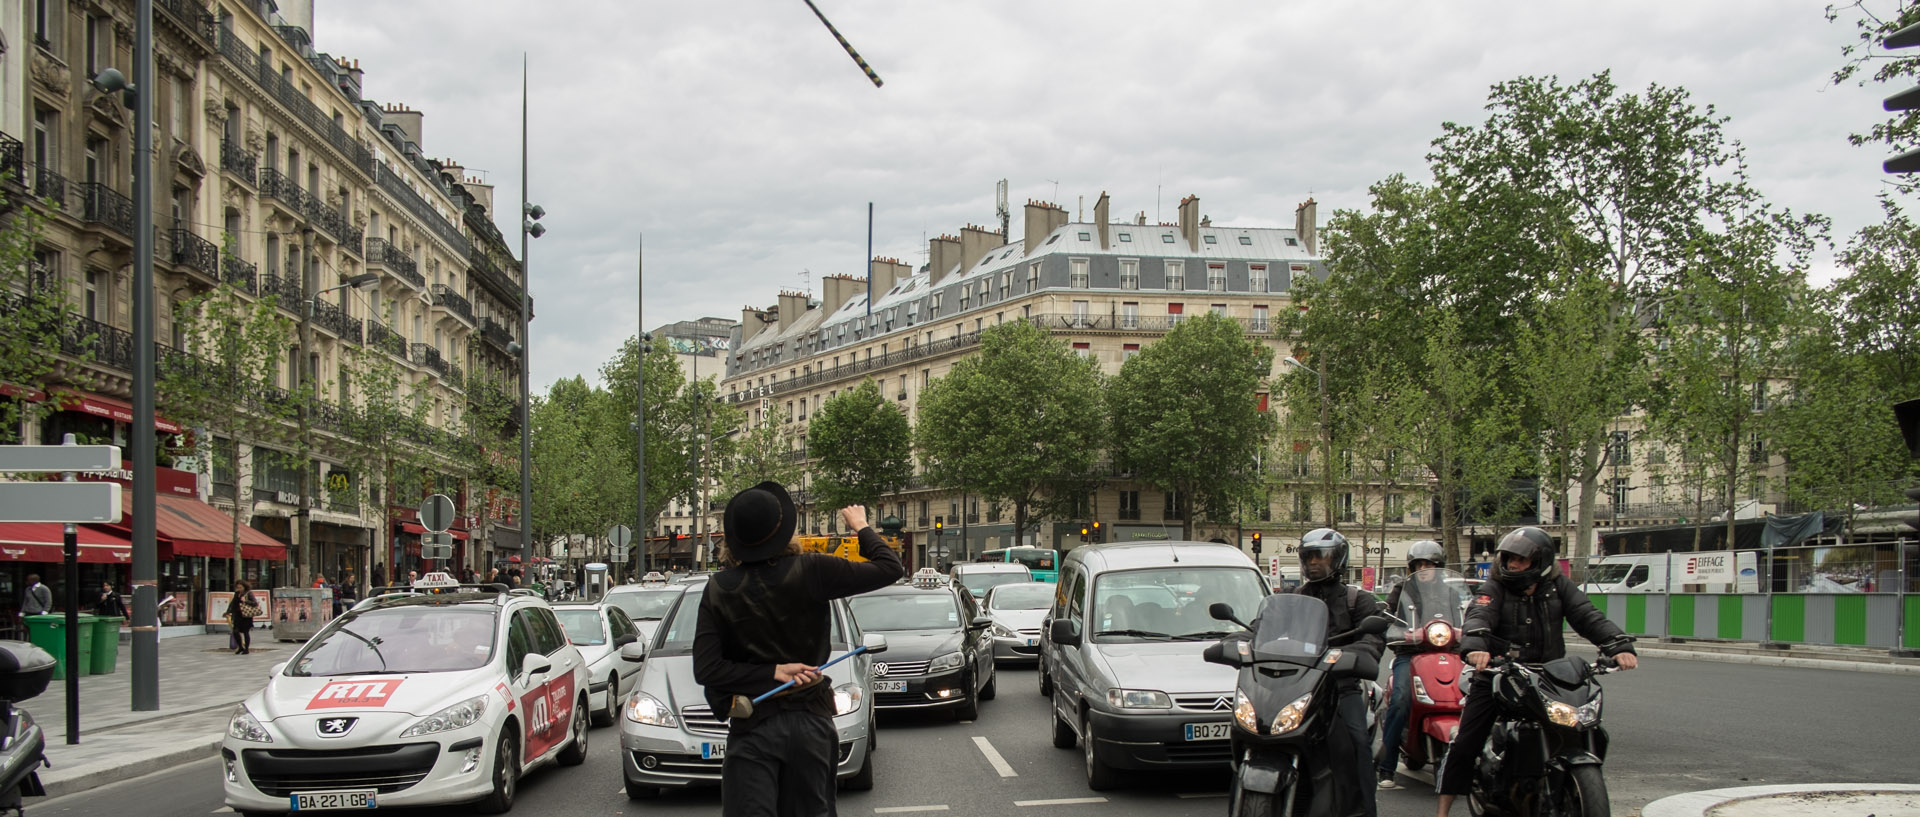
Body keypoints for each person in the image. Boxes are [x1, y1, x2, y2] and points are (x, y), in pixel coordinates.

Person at [693, 483, 905, 817]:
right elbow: (891, 567)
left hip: (752, 726)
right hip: (810, 721)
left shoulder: (718, 589)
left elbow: (706, 670)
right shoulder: (814, 570)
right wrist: (861, 526)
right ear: (784, 530)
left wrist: (769, 673)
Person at [1435, 527, 1638, 817]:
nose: (1513, 565)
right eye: (1509, 559)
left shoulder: (1559, 586)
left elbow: (1588, 616)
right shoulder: (1494, 588)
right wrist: (1477, 645)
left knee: (1583, 724)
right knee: (1466, 743)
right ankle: (1442, 812)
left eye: (1521, 560)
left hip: (1548, 677)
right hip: (1498, 673)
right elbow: (1480, 616)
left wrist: (1618, 645)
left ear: (1540, 561)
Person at [1292, 528, 1384, 817]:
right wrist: (1242, 641)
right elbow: (1265, 628)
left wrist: (1356, 655)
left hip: (1341, 686)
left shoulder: (1359, 600)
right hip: (1300, 687)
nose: (1314, 563)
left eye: (1321, 556)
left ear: (1338, 560)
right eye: (1309, 557)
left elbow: (1372, 642)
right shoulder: (1294, 598)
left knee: (1357, 744)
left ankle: (1364, 811)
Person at [1375, 540, 1449, 789]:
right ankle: (1387, 767)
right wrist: (1401, 632)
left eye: (1429, 564)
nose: (1424, 569)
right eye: (1419, 564)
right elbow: (1386, 616)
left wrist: (1468, 630)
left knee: (1472, 696)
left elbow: (1470, 613)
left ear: (1439, 566)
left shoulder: (1450, 591)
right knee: (1401, 700)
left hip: (1447, 654)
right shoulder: (1401, 589)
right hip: (1411, 654)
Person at [229, 581, 259, 655]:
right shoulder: (236, 594)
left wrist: (245, 601)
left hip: (246, 616)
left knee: (246, 632)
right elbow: (233, 603)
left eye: (241, 587)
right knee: (235, 631)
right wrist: (228, 611)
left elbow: (255, 603)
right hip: (237, 615)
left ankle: (246, 649)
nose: (239, 589)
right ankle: (240, 647)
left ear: (244, 587)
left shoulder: (248, 593)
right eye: (238, 587)